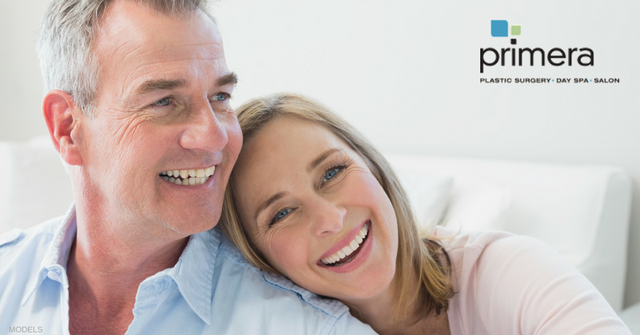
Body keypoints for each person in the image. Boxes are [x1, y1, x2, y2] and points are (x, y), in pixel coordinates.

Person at [0, 1, 376, 334]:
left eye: (220, 97)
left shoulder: (310, 326)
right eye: (164, 102)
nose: (214, 137)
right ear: (68, 128)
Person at [220, 92, 633, 335]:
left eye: (332, 172)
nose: (329, 219)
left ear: (374, 166)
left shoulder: (505, 271)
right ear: (256, 254)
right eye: (283, 213)